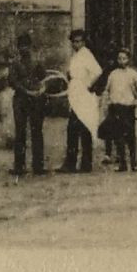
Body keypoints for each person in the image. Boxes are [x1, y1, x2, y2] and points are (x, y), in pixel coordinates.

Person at [60, 29, 102, 173]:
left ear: (84, 42)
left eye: (79, 41)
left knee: (83, 127)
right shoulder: (76, 56)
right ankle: (73, 163)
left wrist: (88, 84)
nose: (76, 44)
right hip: (75, 94)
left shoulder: (86, 54)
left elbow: (97, 71)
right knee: (73, 128)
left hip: (83, 95)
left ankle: (84, 163)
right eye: (74, 42)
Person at [8, 33, 49, 176]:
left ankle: (38, 165)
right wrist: (27, 91)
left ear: (30, 47)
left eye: (26, 46)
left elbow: (44, 78)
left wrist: (42, 89)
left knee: (36, 131)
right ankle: (19, 166)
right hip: (20, 100)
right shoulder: (15, 63)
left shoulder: (36, 61)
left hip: (36, 101)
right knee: (20, 132)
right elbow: (13, 82)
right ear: (18, 48)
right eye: (21, 46)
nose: (24, 49)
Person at [101, 48, 137, 172]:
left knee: (130, 136)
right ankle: (122, 164)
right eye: (119, 58)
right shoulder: (113, 74)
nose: (121, 61)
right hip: (115, 107)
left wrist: (136, 102)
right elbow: (107, 90)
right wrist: (107, 103)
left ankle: (134, 162)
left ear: (129, 59)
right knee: (118, 136)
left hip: (127, 108)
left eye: (124, 58)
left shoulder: (133, 74)